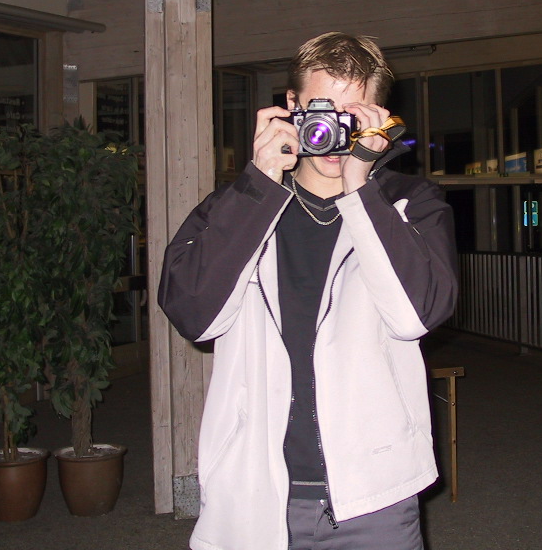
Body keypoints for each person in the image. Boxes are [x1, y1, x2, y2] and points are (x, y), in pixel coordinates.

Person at [159, 32, 458, 550]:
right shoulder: (238, 205)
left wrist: (360, 185)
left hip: (375, 496)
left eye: (354, 115)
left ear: (380, 118)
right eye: (322, 111)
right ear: (291, 107)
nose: (335, 132)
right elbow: (193, 315)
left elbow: (416, 315)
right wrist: (259, 182)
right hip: (256, 491)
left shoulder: (410, 204)